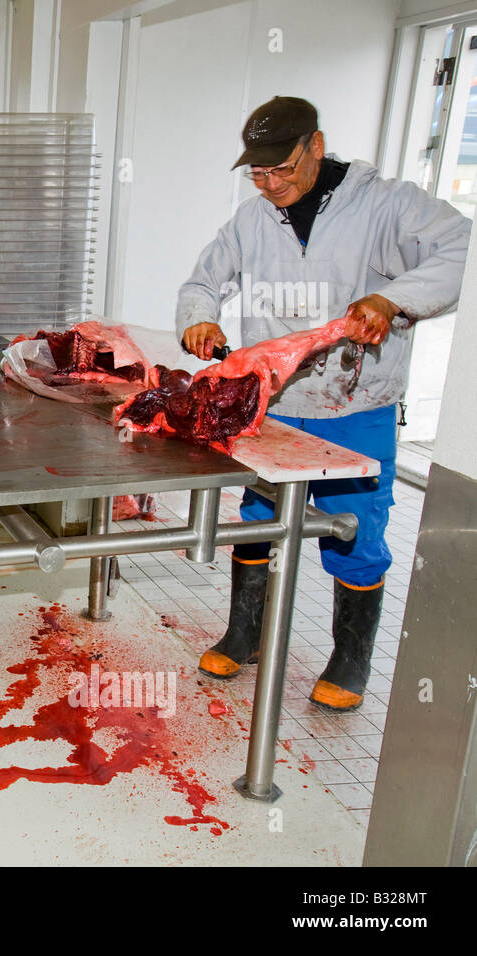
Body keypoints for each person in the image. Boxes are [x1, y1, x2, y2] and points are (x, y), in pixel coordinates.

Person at [178, 96, 470, 711]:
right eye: (257, 173)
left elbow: (460, 247)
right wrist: (200, 319)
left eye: (281, 169)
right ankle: (245, 631)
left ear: (315, 144)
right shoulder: (252, 218)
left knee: (355, 531)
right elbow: (204, 279)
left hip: (356, 403)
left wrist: (394, 299)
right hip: (274, 400)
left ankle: (351, 654)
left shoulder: (388, 203)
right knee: (257, 520)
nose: (271, 184)